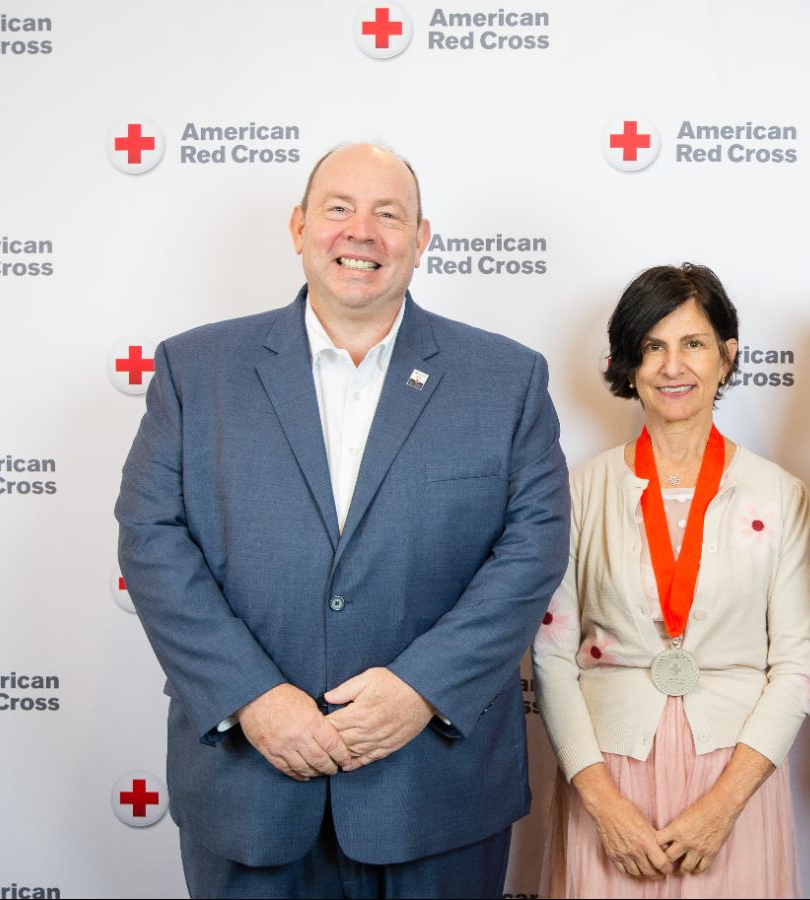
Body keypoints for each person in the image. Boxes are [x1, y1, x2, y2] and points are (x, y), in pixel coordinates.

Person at [115, 142, 570, 899]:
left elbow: (533, 548)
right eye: (338, 209)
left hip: (435, 790)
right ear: (298, 227)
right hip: (251, 789)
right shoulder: (196, 371)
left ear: (421, 240)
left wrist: (420, 689)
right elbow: (151, 537)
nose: (361, 232)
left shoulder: (507, 378)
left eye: (388, 215)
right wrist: (252, 696)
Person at [532, 264, 810, 898]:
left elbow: (798, 666)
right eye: (652, 346)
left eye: (692, 343)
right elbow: (551, 661)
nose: (672, 366)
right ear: (627, 363)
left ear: (727, 355)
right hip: (608, 773)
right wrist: (603, 806)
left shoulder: (779, 495)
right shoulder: (579, 492)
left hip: (736, 777)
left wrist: (722, 808)